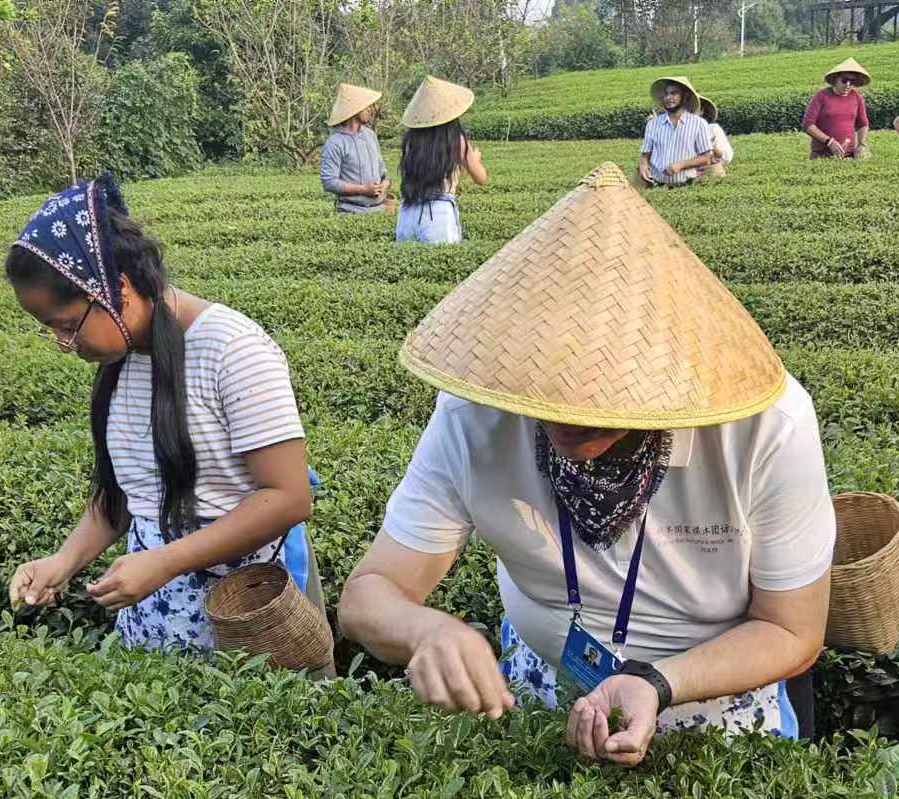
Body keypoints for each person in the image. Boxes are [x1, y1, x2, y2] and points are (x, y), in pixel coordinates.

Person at [340, 163, 835, 766]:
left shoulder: (764, 427)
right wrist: (427, 631)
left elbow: (793, 630)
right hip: (537, 683)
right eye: (550, 392)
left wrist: (655, 682)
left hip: (710, 703)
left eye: (603, 399)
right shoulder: (474, 416)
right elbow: (369, 593)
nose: (570, 418)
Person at [3, 173, 331, 662]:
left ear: (118, 288)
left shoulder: (232, 349)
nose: (64, 344)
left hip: (249, 607)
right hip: (159, 608)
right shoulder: (122, 359)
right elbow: (131, 495)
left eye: (68, 326)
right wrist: (62, 563)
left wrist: (163, 562)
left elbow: (287, 498)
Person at [397, 76, 488, 245]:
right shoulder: (456, 140)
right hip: (438, 214)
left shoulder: (410, 140)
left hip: (407, 211)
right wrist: (474, 159)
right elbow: (481, 178)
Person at [320, 83, 391, 215]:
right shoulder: (335, 143)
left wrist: (385, 184)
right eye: (366, 107)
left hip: (379, 210)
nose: (370, 110)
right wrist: (363, 189)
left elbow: (383, 172)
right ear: (354, 109)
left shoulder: (370, 135)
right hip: (350, 212)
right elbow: (329, 181)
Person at [635, 75, 716, 188]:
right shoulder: (653, 124)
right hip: (656, 186)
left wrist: (681, 164)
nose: (668, 97)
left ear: (685, 96)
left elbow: (707, 158)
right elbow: (645, 155)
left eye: (674, 93)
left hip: (687, 186)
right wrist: (643, 165)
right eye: (666, 94)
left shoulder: (698, 123)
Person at [802, 58, 871, 160]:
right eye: (844, 80)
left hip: (848, 156)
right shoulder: (821, 96)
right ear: (836, 79)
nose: (848, 84)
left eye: (852, 82)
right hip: (822, 155)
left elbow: (863, 124)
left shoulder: (856, 97)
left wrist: (861, 145)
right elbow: (808, 125)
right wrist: (829, 141)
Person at [698, 95, 734, 177]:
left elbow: (726, 156)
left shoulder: (712, 129)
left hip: (709, 175)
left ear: (701, 110)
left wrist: (711, 145)